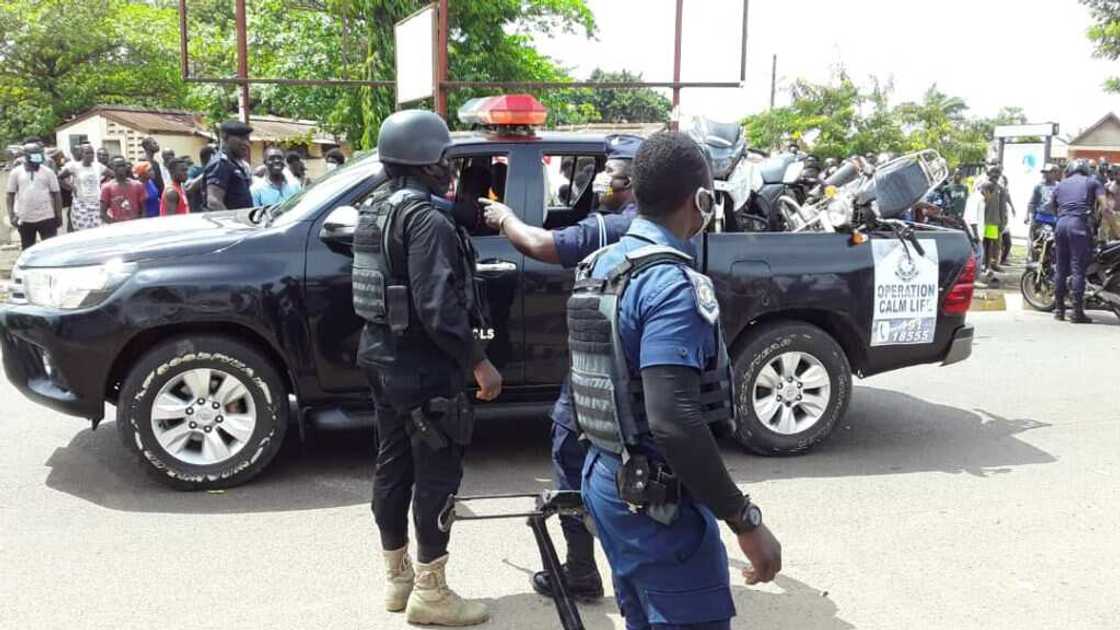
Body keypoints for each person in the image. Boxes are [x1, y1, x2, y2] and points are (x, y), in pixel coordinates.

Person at [569, 132, 781, 629]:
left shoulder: (600, 267)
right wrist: (745, 521)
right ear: (701, 199)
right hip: (658, 507)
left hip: (607, 483)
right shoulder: (670, 285)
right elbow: (675, 422)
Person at [352, 109, 501, 626]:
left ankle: (398, 581)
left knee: (392, 466)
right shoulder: (426, 220)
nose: (449, 166)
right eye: (445, 158)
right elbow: (439, 307)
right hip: (423, 367)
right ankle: (431, 593)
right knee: (437, 474)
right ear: (428, 161)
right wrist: (480, 363)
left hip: (380, 357)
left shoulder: (375, 210)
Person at [478, 135, 642, 602]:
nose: (603, 178)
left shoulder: (616, 227)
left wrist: (504, 217)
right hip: (638, 368)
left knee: (570, 455)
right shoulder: (656, 225)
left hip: (602, 370)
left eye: (612, 170)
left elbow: (540, 244)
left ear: (632, 177)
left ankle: (580, 571)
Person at [1048, 159, 1106, 324]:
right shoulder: (1092, 181)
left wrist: (1061, 217)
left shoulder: (1060, 185)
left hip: (1061, 225)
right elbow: (1104, 207)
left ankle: (1059, 310)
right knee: (1078, 269)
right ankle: (1077, 312)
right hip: (1079, 225)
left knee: (1061, 267)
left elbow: (1052, 206)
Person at [5, 142, 62, 249]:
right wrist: (11, 215)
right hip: (25, 218)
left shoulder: (48, 172)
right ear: (25, 155)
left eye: (39, 153)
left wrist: (58, 215)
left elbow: (56, 194)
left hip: (47, 217)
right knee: (28, 249)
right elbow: (10, 194)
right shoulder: (16, 172)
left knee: (50, 249)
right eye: (34, 153)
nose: (37, 156)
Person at [204, 121, 254, 210]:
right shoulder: (221, 163)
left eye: (247, 139)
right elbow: (214, 202)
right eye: (242, 138)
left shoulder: (234, 163)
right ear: (225, 137)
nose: (246, 143)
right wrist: (232, 223)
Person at [58, 143, 109, 231]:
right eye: (87, 153)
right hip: (81, 205)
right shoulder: (74, 166)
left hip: (96, 203)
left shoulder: (98, 166)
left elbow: (114, 175)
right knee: (82, 232)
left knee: (99, 231)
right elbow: (59, 178)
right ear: (81, 154)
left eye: (92, 153)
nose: (90, 155)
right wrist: (71, 187)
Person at [981, 166, 1012, 277]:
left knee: (993, 244)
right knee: (985, 244)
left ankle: (991, 265)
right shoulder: (984, 186)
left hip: (994, 221)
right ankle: (985, 265)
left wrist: (1003, 221)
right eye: (993, 172)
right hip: (982, 220)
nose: (995, 175)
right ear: (988, 173)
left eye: (998, 173)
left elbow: (1003, 206)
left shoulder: (1000, 188)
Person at [100, 156, 146, 224]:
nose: (121, 168)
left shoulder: (138, 185)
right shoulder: (107, 188)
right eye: (118, 166)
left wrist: (139, 223)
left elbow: (144, 210)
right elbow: (102, 213)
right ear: (112, 168)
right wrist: (115, 224)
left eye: (123, 165)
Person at [1026, 164, 1060, 247]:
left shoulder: (1059, 186)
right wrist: (1027, 215)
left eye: (1048, 172)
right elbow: (1032, 202)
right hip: (1040, 218)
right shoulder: (1039, 186)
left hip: (1054, 219)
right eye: (1045, 172)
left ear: (1055, 173)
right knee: (1034, 241)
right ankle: (1032, 256)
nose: (1046, 174)